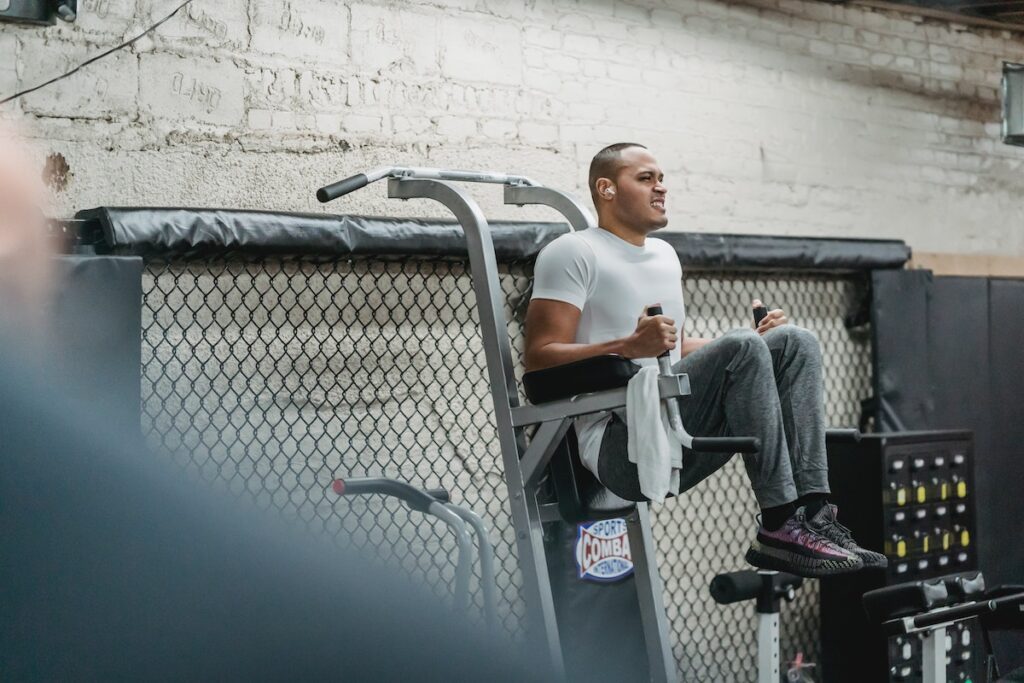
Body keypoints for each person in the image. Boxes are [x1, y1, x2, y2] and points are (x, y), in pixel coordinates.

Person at [524, 142, 885, 578]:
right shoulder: (573, 252)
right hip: (621, 448)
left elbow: (669, 351)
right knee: (742, 347)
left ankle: (813, 514)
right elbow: (540, 361)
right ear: (606, 188)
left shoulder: (664, 255)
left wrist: (751, 345)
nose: (661, 188)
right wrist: (626, 346)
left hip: (675, 423)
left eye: (661, 179)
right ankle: (779, 524)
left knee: (794, 341)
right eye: (645, 179)